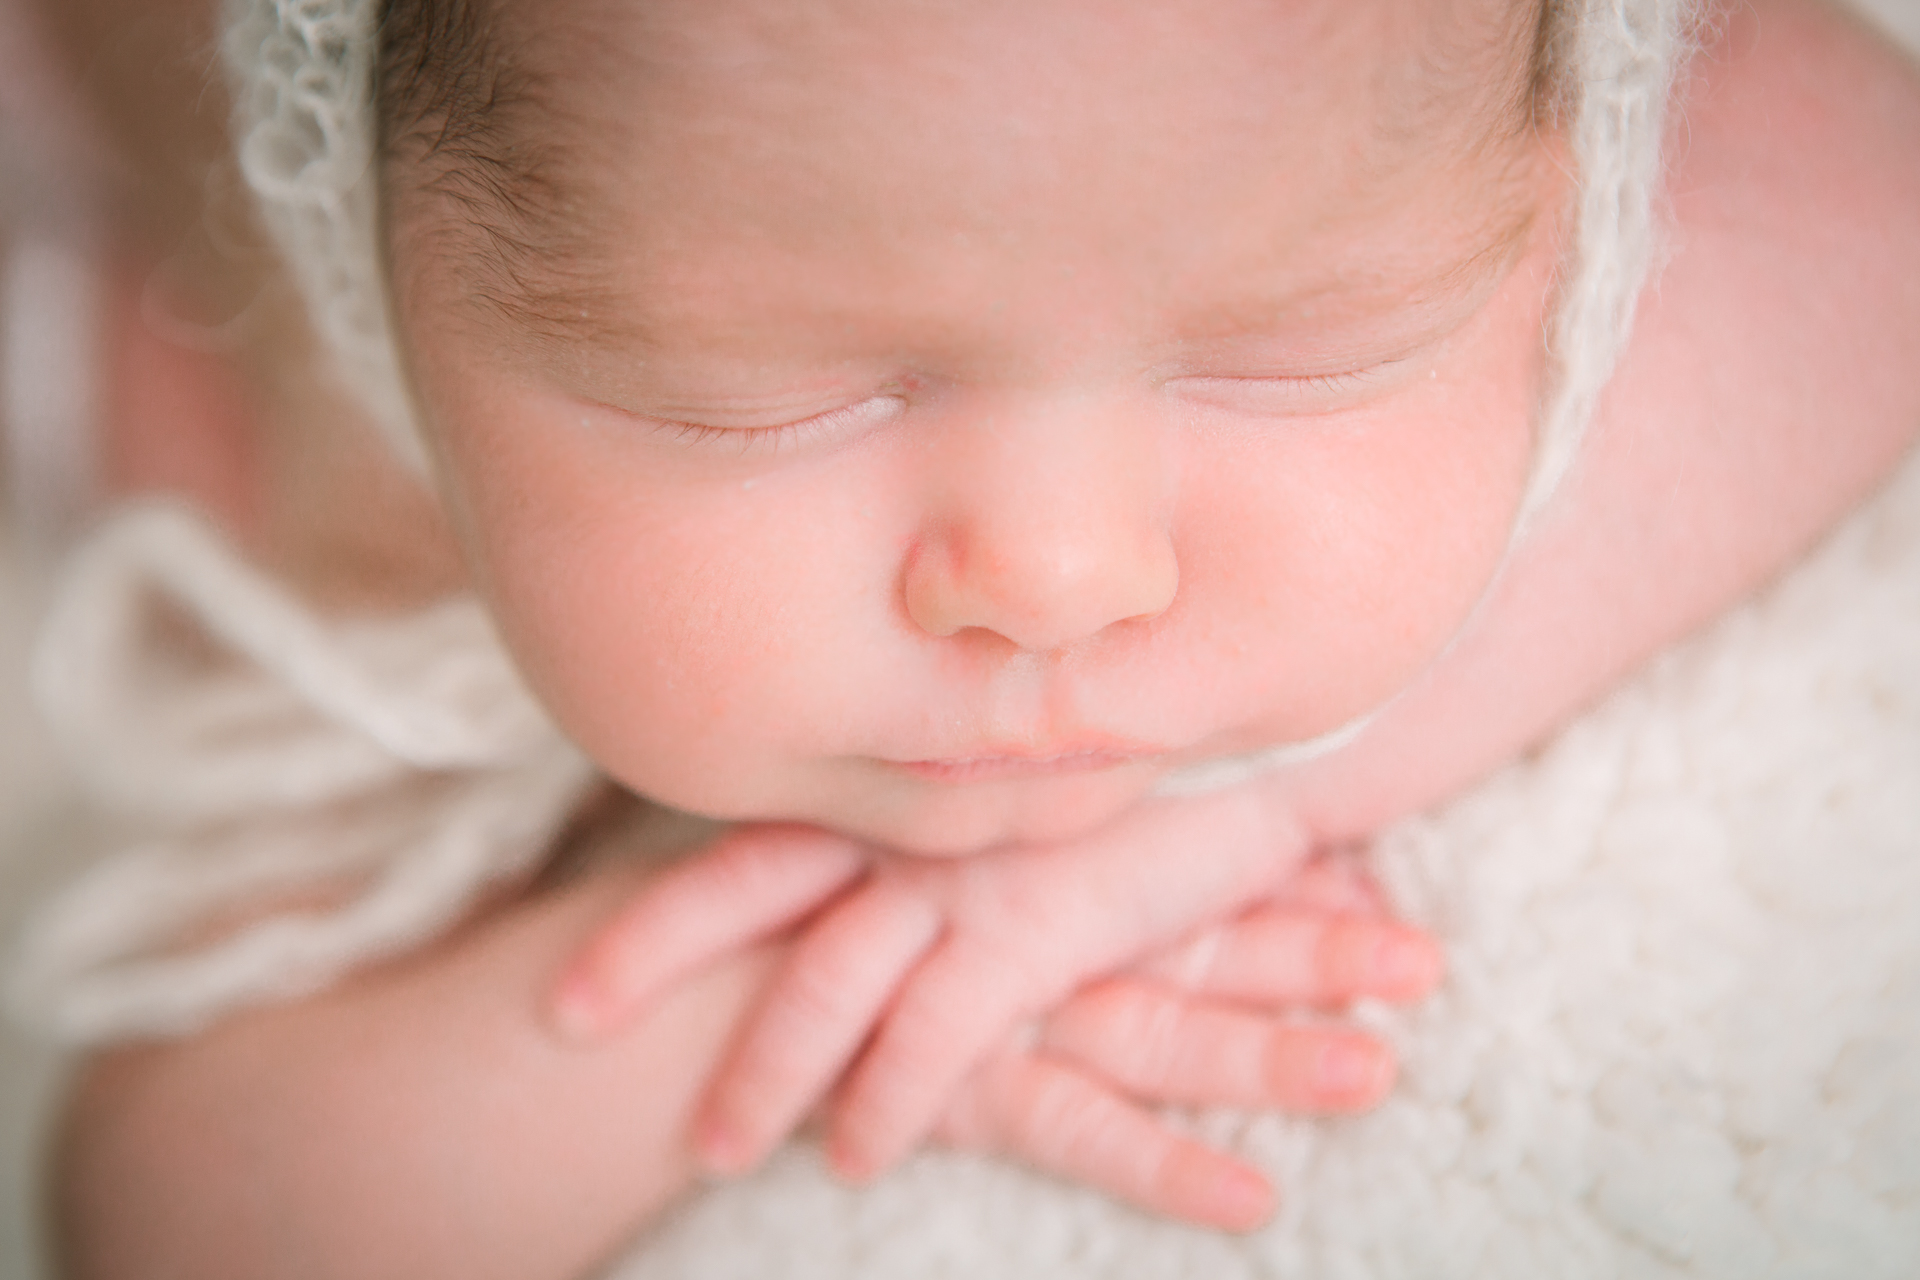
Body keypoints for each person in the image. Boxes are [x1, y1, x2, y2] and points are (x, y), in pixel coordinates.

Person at [20, 0, 1920, 1276]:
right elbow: (166, 1209)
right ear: (397, 291)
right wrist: (804, 985)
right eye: (764, 401)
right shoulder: (341, 472)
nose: (1059, 575)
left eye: (1299, 344)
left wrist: (1260, 812)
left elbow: (1870, 188)